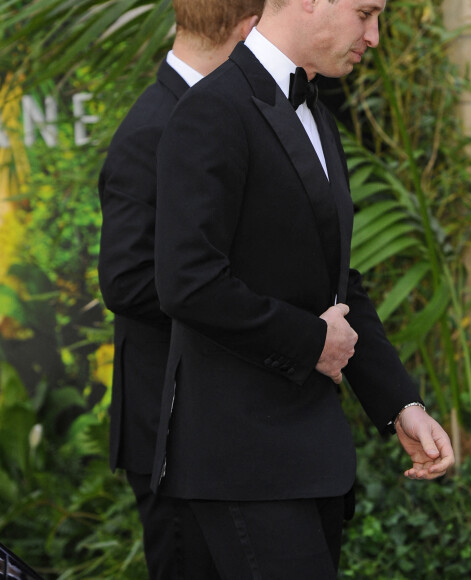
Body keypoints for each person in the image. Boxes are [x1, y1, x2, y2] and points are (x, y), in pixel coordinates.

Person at [152, 0, 455, 577]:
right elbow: (186, 283)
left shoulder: (318, 115)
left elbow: (340, 283)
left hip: (308, 459)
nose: (375, 35)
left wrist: (400, 405)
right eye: (365, 13)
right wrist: (311, 341)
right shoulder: (210, 111)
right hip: (244, 463)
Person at [97, 1, 263, 577]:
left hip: (211, 427)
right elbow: (125, 280)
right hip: (170, 434)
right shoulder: (152, 128)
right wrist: (240, 300)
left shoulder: (210, 114)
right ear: (248, 32)